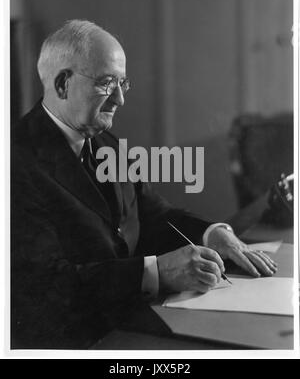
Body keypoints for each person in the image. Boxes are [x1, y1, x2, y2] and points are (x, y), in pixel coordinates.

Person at [11, 20, 277, 349]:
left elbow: (152, 213)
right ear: (63, 84)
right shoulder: (14, 162)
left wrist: (212, 234)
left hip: (133, 322)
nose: (120, 99)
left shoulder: (105, 142)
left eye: (123, 83)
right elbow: (43, 286)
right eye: (108, 83)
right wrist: (157, 272)